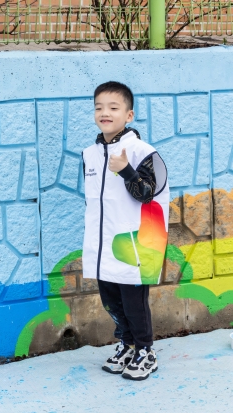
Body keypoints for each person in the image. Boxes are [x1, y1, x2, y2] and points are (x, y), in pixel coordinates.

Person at [82, 81, 169, 381]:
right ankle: (128, 345)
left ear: (129, 115)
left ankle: (146, 351)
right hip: (103, 245)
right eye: (99, 107)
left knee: (134, 304)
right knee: (111, 302)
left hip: (134, 245)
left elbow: (148, 193)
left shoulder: (143, 152)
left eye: (113, 107)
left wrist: (126, 170)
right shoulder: (89, 154)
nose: (104, 112)